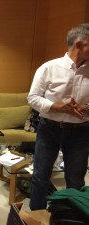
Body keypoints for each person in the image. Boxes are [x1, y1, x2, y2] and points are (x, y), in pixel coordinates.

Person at [28, 23, 89, 210]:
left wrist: (86, 108)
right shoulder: (49, 68)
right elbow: (32, 98)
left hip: (81, 131)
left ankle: (71, 218)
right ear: (80, 44)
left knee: (76, 180)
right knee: (40, 177)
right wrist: (58, 107)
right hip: (49, 128)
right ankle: (36, 217)